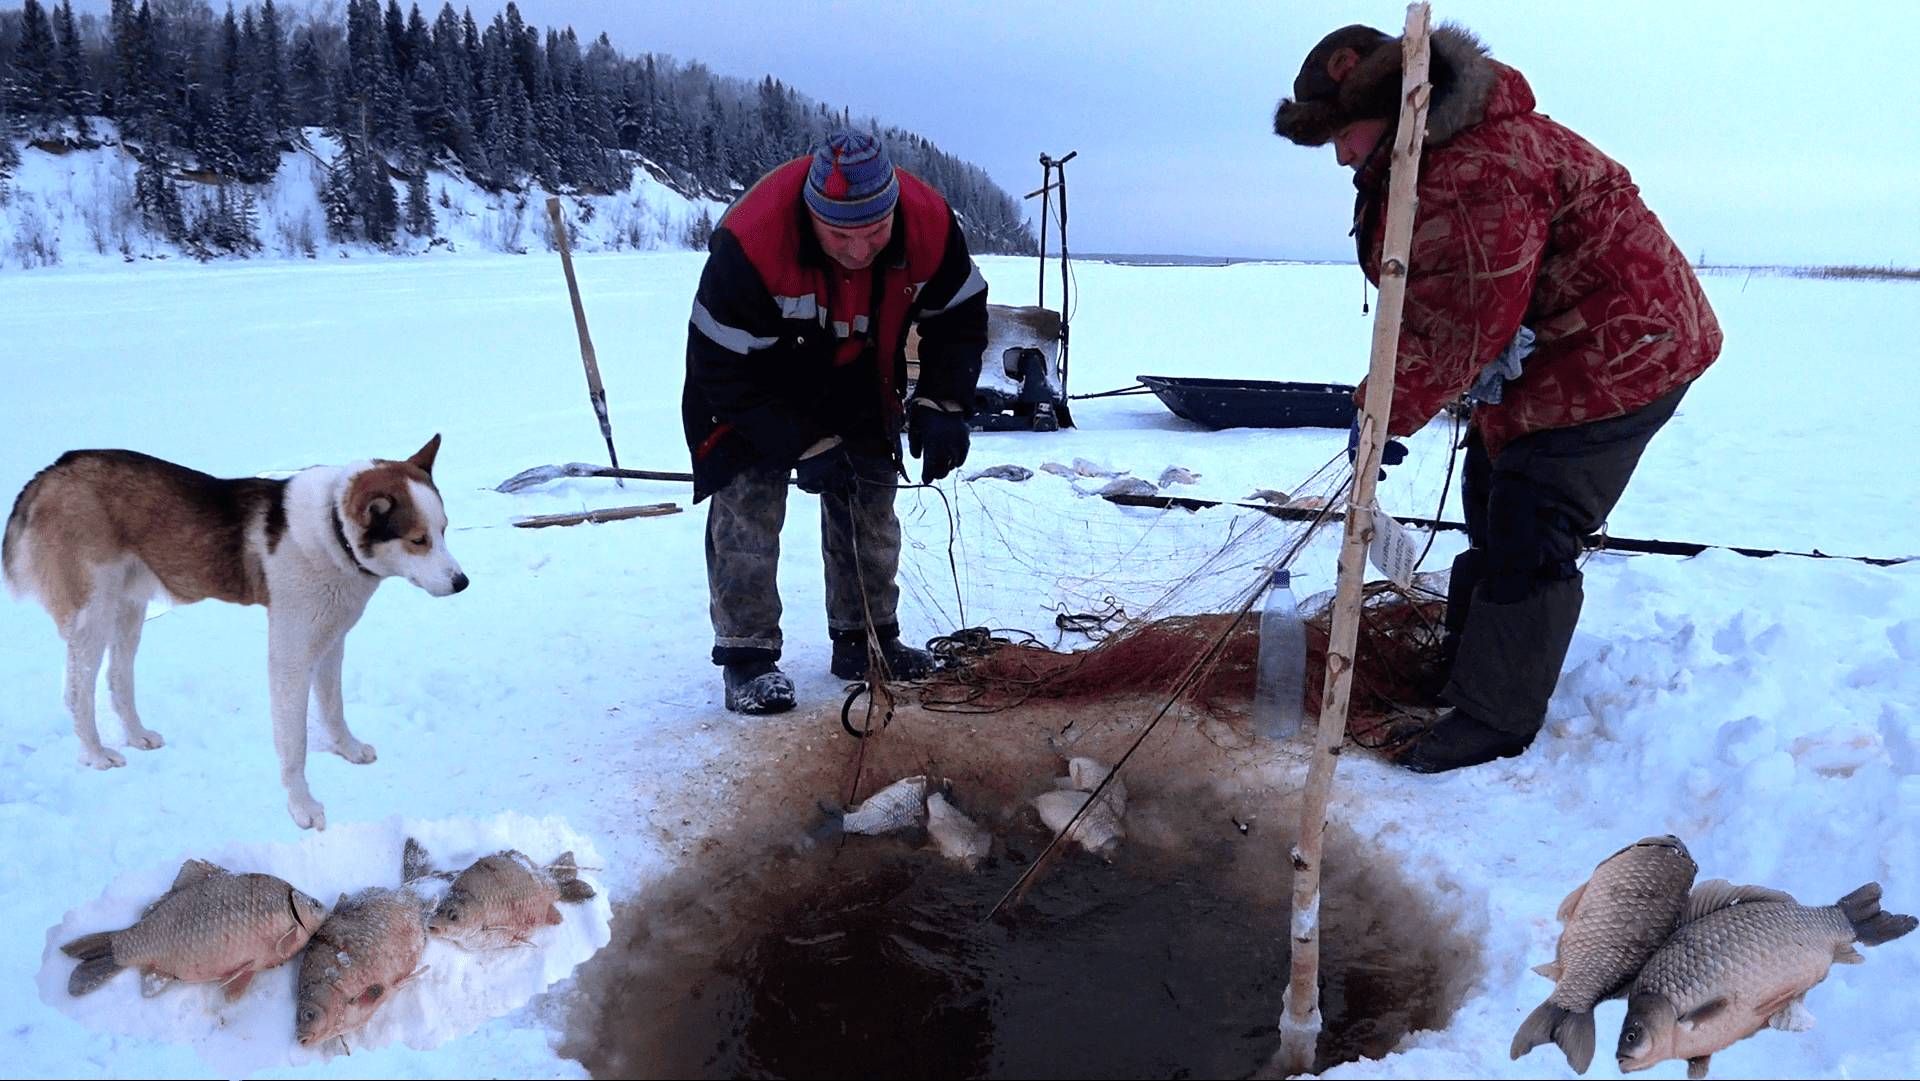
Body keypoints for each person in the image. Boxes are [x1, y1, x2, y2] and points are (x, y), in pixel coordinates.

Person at [1272, 24, 1721, 771]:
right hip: (1558, 351)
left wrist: (1385, 410)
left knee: (1531, 515)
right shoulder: (1437, 154)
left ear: (1389, 108)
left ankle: (1494, 716)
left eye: (1344, 136)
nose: (1343, 157)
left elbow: (1466, 321)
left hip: (1626, 352)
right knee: (1489, 488)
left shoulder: (1473, 169)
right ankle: (1467, 668)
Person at [682, 129, 988, 714]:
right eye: (840, 235)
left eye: (875, 231)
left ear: (894, 209)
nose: (859, 250)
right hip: (752, 380)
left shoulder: (930, 225)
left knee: (869, 494)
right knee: (748, 501)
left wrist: (943, 403)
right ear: (809, 215)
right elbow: (721, 371)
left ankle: (865, 639)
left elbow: (959, 317)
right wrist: (801, 444)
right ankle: (747, 655)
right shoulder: (750, 242)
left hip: (858, 368)